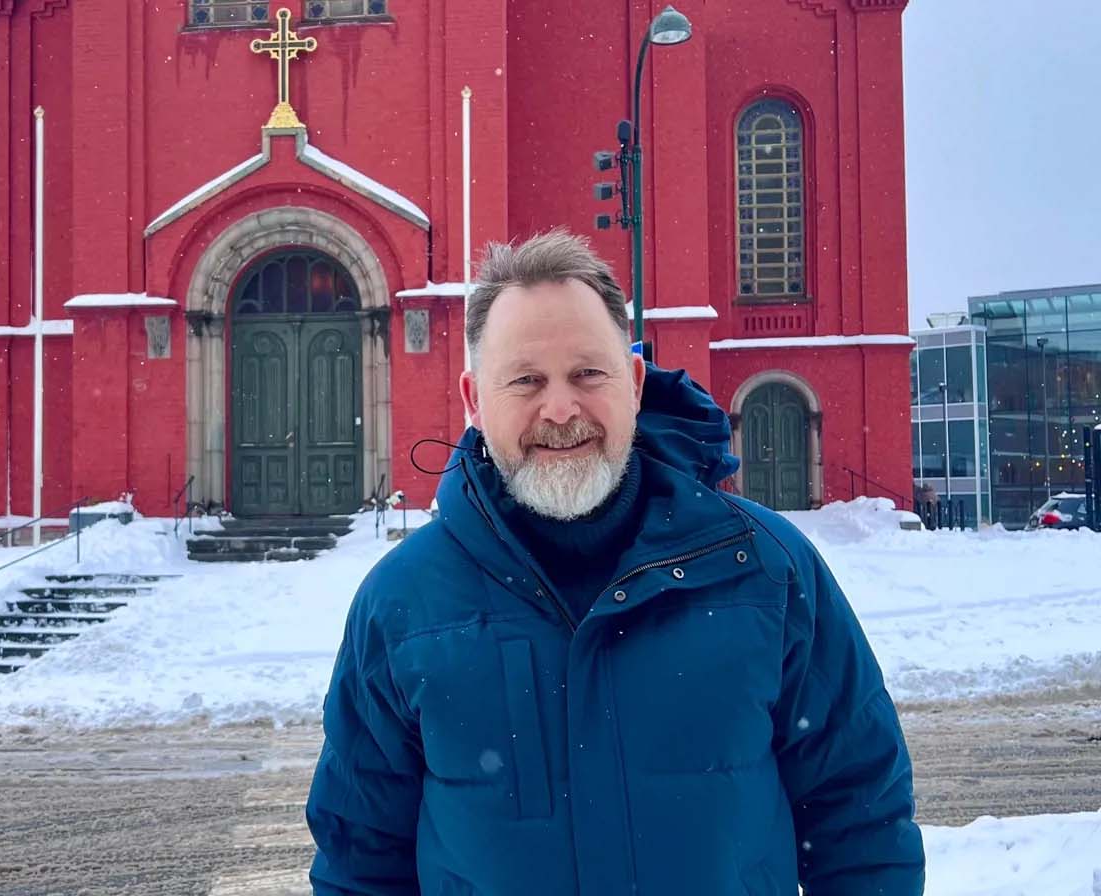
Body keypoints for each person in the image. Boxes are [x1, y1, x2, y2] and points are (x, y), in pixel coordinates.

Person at [306, 230, 924, 894]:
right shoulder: (402, 606)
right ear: (474, 401)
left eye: (587, 373)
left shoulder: (766, 571)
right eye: (526, 380)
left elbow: (860, 818)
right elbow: (361, 861)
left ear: (632, 382)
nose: (561, 408)